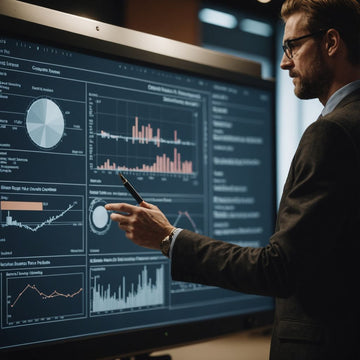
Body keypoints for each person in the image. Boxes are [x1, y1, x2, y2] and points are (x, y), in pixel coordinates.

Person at [105, 0, 360, 358]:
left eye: (292, 45)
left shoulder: (331, 133)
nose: (285, 61)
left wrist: (168, 238)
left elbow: (280, 269)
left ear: (331, 42)